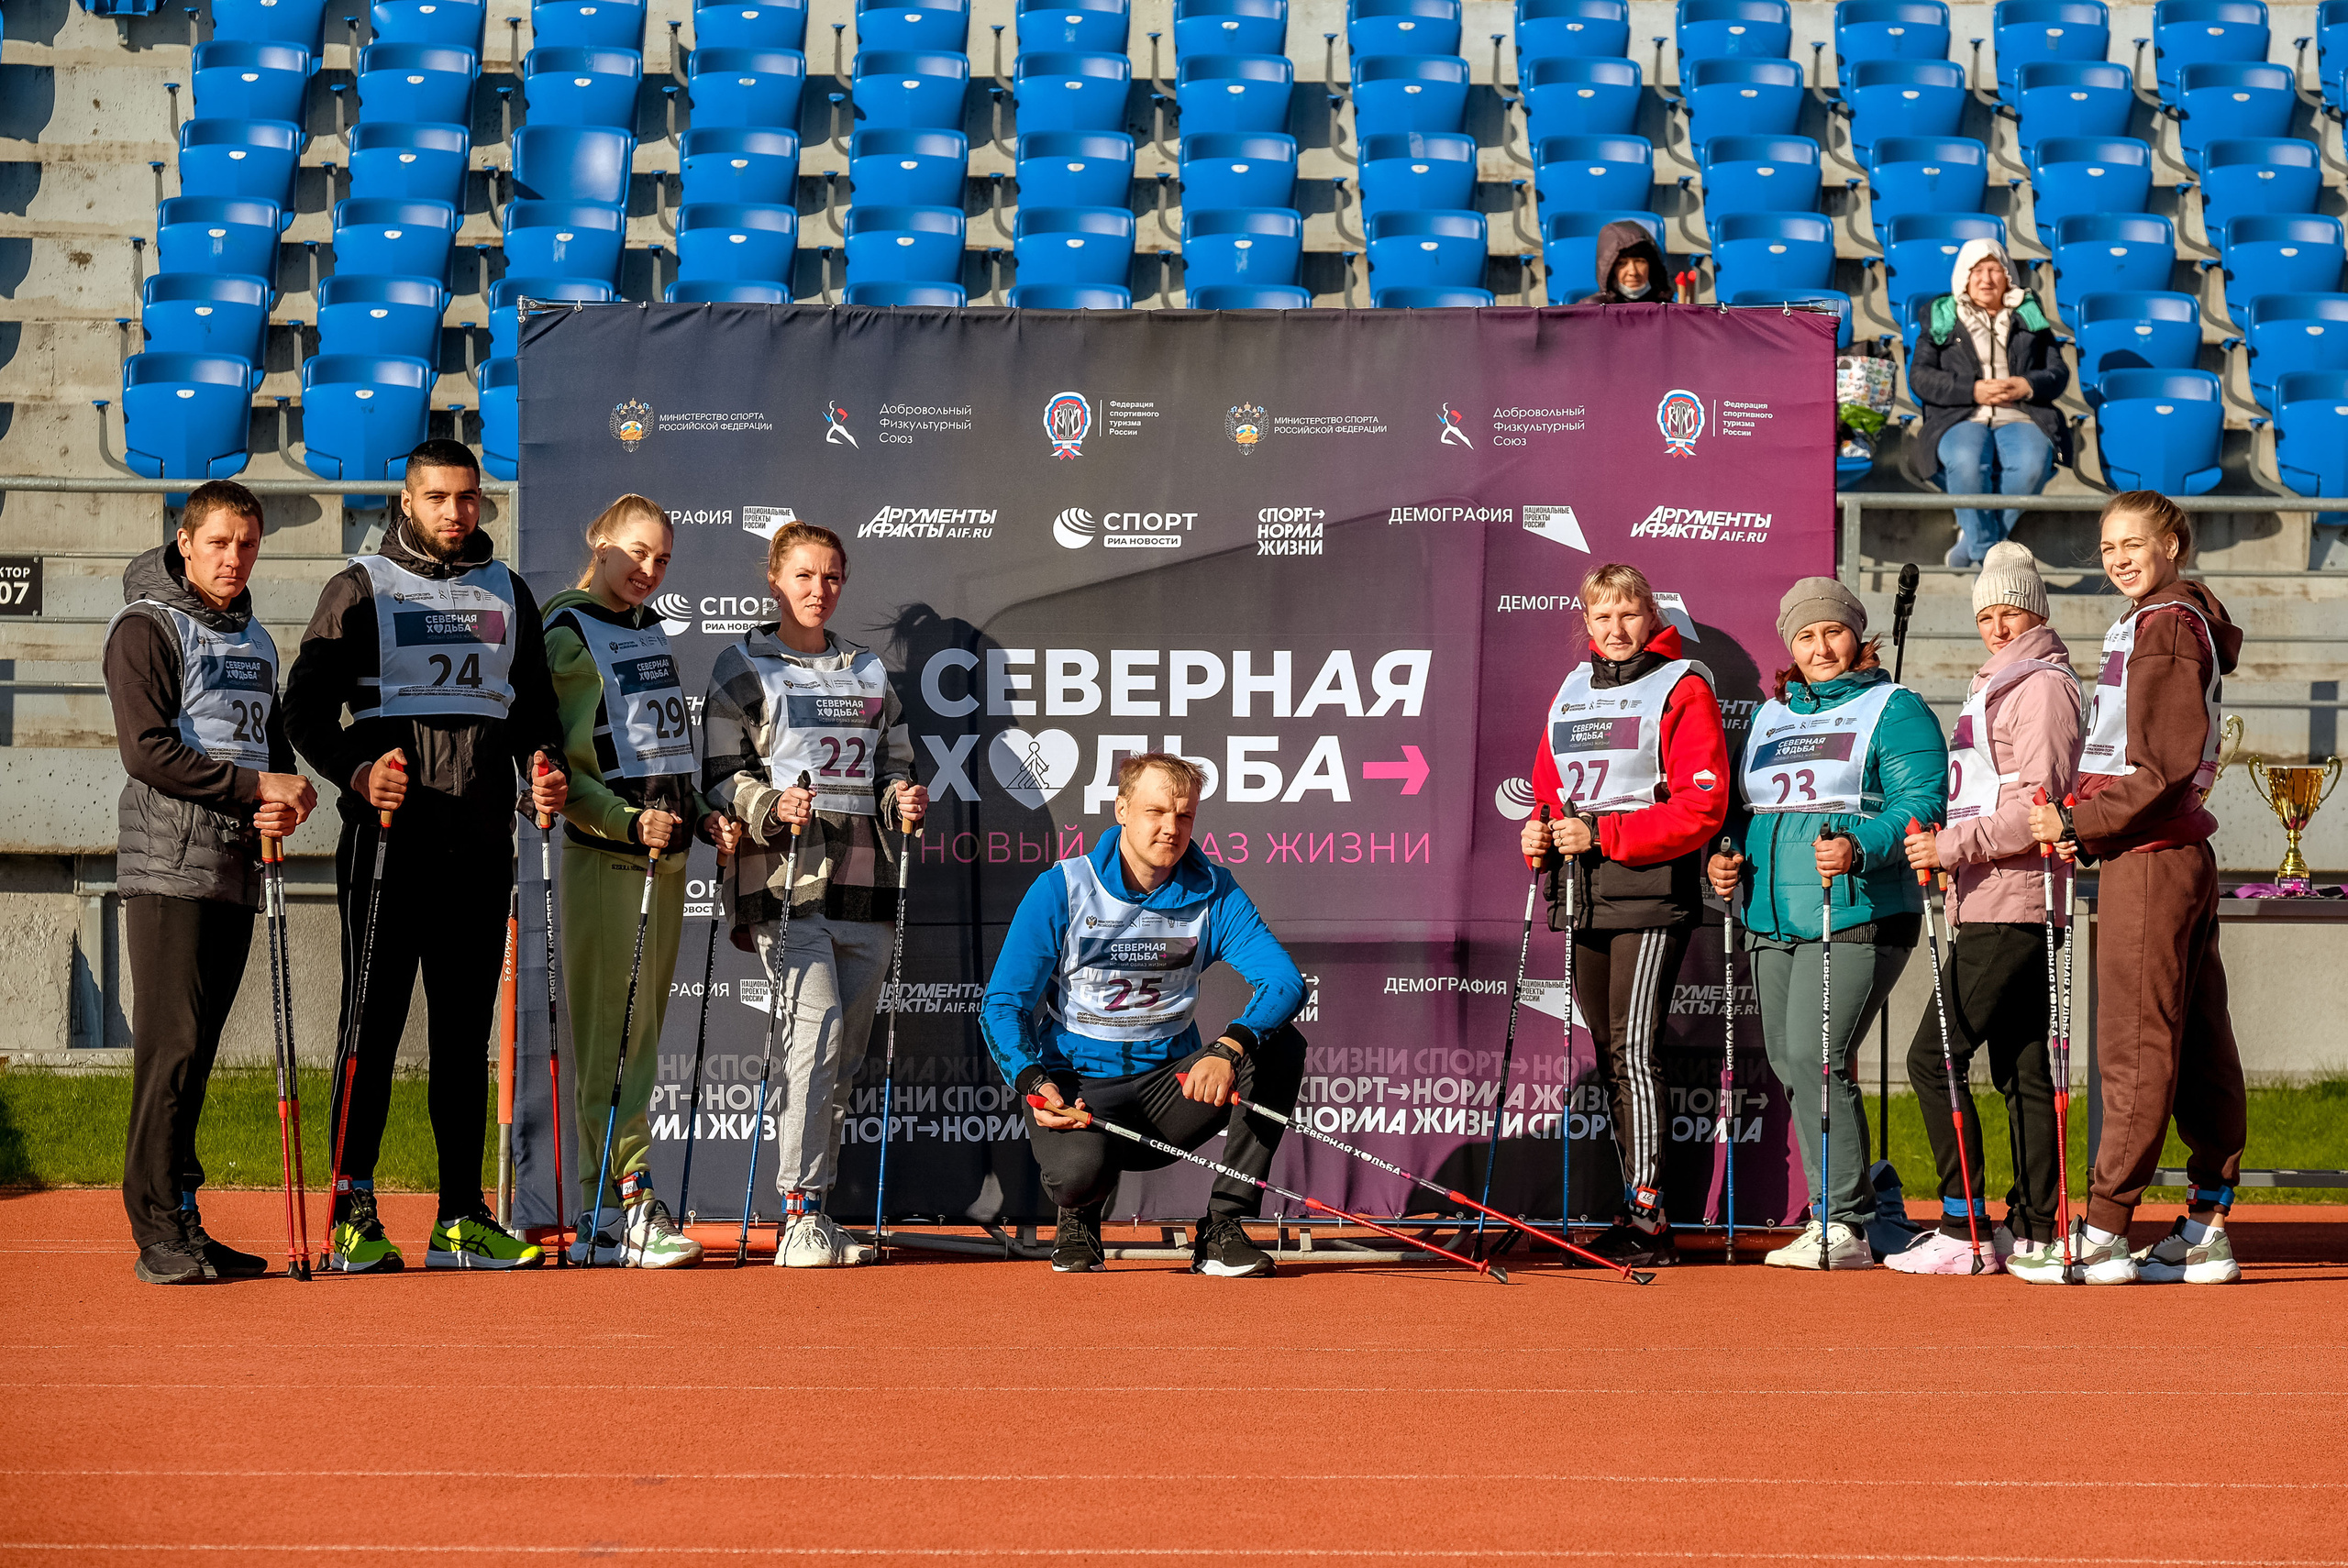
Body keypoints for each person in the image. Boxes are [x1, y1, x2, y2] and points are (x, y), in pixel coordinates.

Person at [283, 439, 567, 1272]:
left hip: (479, 847)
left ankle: (458, 1214)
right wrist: (357, 771)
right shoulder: (361, 588)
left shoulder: (508, 591)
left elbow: (533, 714)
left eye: (468, 498)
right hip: (388, 844)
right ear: (407, 502)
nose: (455, 512)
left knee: (462, 1036)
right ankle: (351, 1207)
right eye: (438, 498)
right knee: (369, 1024)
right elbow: (302, 712)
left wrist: (542, 768)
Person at [2024, 492, 2246, 1286]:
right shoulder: (2161, 618)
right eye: (2107, 545)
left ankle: (2107, 1230)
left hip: (2149, 852)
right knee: (2194, 1042)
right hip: (2164, 849)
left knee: (2137, 1042)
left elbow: (2160, 771)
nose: (2117, 557)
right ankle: (2206, 1223)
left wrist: (2076, 823)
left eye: (2134, 543)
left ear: (2174, 543)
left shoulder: (2164, 626)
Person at [104, 480, 318, 1284]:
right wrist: (254, 789)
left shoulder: (256, 637)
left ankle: (184, 1223)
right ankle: (156, 1230)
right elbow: (147, 752)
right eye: (220, 542)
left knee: (197, 1054)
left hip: (232, 867)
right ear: (185, 543)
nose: (235, 558)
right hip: (167, 867)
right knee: (172, 1050)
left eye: (249, 544)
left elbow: (266, 748)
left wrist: (281, 797)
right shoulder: (144, 627)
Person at [984, 754, 1309, 1278]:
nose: (1170, 828)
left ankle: (1223, 1226)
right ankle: (1078, 1217)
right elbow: (1003, 1005)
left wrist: (1229, 1048)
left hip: (1169, 1090)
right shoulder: (1063, 887)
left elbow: (1284, 982)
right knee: (1076, 1175)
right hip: (1078, 1087)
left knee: (1279, 1045)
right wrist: (1033, 1082)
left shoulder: (1213, 890)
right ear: (1121, 810)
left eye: (1184, 816)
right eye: (1155, 811)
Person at [701, 521, 927, 1267]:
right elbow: (719, 773)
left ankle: (817, 1211)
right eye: (803, 575)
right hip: (786, 884)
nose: (817, 589)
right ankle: (796, 1211)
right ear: (774, 578)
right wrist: (768, 806)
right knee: (817, 1034)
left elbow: (893, 765)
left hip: (867, 887)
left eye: (831, 577)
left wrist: (905, 798)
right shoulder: (743, 664)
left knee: (843, 1054)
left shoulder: (867, 670)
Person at [1707, 579, 1947, 1269]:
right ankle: (1859, 1200)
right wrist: (1725, 858)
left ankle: (1843, 1221)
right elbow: (1746, 813)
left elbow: (1924, 800)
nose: (1820, 647)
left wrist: (1860, 845)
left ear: (1857, 635)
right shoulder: (1772, 714)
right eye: (1805, 636)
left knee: (1819, 1058)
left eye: (1832, 632)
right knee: (1790, 1063)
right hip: (1772, 914)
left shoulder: (1893, 708)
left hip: (1859, 910)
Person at [543, 494, 743, 1266]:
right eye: (635, 553)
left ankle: (608, 1211)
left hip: (667, 861)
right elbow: (562, 766)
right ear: (599, 543)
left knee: (640, 1044)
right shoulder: (566, 630)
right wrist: (625, 822)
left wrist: (700, 811)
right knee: (608, 1042)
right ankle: (620, 1205)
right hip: (608, 861)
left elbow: (660, 753)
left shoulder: (648, 629)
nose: (648, 571)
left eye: (661, 560)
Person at [1522, 563, 1730, 1268]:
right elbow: (1550, 789)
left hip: (1647, 892)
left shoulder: (1682, 684)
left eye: (1629, 615)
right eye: (1601, 618)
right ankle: (1635, 1206)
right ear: (1586, 622)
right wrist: (1540, 834)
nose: (1615, 630)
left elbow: (1702, 806)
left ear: (1652, 616)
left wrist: (1606, 837)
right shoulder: (1573, 688)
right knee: (1611, 1053)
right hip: (1581, 892)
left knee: (1634, 1052)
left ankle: (1650, 1215)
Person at [1886, 542, 2081, 1276]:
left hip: (2015, 898)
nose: (1999, 627)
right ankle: (2032, 1229)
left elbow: (2037, 805)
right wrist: (1953, 854)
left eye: (2012, 612)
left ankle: (1966, 1227)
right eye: (1988, 616)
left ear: (2038, 610)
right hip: (1992, 896)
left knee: (1933, 1058)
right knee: (2022, 1068)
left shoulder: (2042, 687)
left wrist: (1949, 846)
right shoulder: (1999, 682)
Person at [1903, 238, 2070, 569]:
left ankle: (1975, 537)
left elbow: (2058, 372)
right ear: (1963, 276)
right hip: (1960, 414)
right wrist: (1973, 390)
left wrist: (2027, 385)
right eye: (1976, 270)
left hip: (2021, 412)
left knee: (2032, 465)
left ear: (2008, 274)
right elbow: (1920, 377)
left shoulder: (2029, 312)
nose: (1986, 279)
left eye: (1995, 269)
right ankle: (1990, 560)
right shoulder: (1941, 314)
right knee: (1965, 462)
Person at [1591, 220, 1676, 304]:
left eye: (1639, 261)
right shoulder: (1590, 312)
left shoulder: (1667, 309)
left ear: (1652, 266)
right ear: (1609, 271)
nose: (1633, 272)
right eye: (1622, 263)